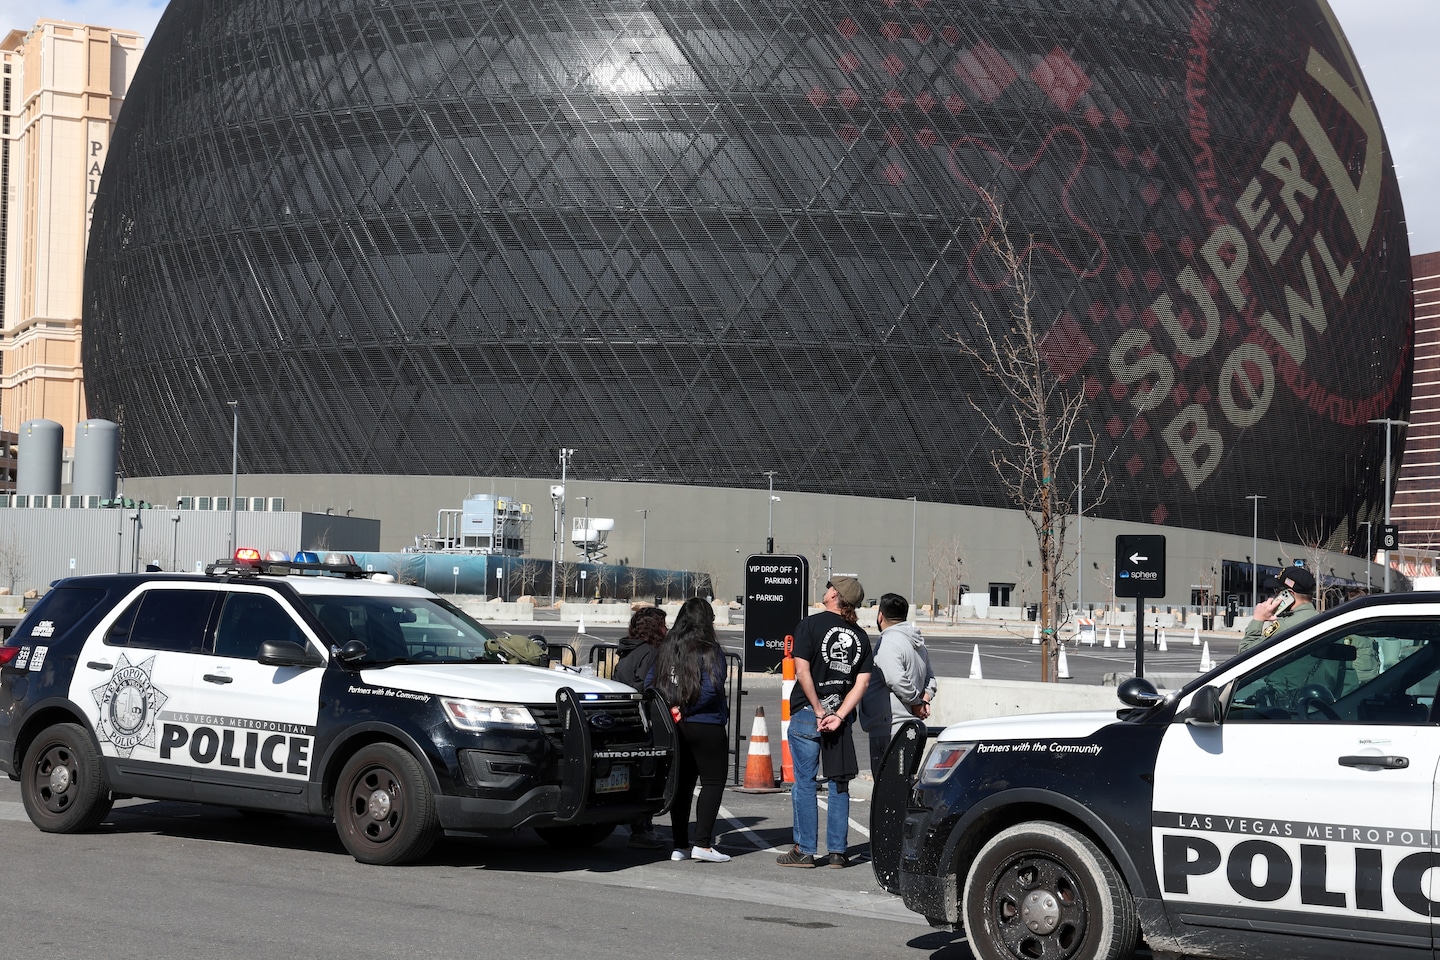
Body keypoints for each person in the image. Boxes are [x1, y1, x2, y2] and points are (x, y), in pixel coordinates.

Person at [778, 576, 872, 869]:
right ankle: (837, 852)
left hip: (809, 713)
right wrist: (839, 714)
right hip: (839, 719)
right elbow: (863, 682)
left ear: (836, 596)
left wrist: (819, 709)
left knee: (805, 782)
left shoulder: (810, 625)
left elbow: (802, 672)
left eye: (831, 587)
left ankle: (805, 850)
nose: (826, 590)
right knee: (838, 783)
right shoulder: (861, 635)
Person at [647, 597, 731, 863]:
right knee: (713, 782)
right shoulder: (709, 648)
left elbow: (652, 683)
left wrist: (671, 707)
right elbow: (711, 687)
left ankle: (680, 844)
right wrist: (686, 708)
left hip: (675, 725)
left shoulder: (667, 648)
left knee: (682, 786)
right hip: (706, 723)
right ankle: (703, 844)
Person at [858, 593, 936, 774]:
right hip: (907, 726)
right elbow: (930, 679)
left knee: (887, 789)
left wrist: (917, 703)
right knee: (902, 785)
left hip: (890, 727)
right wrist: (924, 699)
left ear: (880, 616)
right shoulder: (917, 642)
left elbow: (895, 679)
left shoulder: (889, 642)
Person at [613, 606, 668, 849]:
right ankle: (641, 827)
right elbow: (647, 686)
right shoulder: (651, 652)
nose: (667, 629)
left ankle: (639, 824)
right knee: (647, 774)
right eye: (664, 624)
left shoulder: (627, 650)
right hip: (643, 720)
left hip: (623, 719)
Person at [1238, 565, 1319, 652]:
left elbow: (1244, 651)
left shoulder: (1285, 626)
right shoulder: (1318, 617)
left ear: (1289, 595)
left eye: (1277, 591)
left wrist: (1258, 619)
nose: (1274, 596)